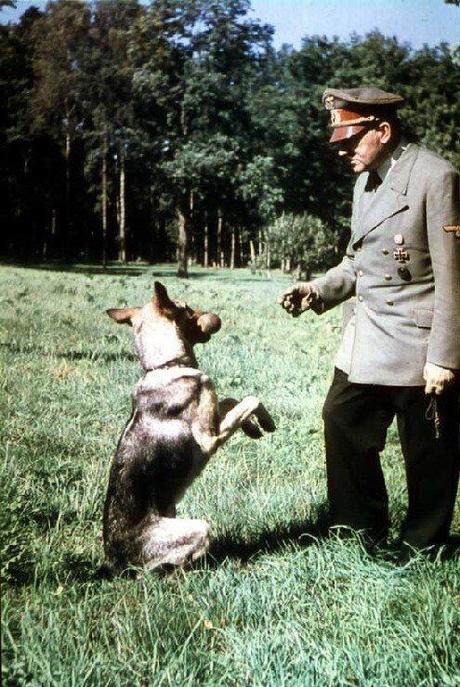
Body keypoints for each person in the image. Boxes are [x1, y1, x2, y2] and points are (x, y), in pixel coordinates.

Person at [278, 86, 460, 561]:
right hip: (369, 339)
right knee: (341, 418)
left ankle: (424, 545)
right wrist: (317, 289)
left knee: (428, 453)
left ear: (383, 130)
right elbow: (356, 263)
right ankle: (358, 532)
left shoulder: (437, 178)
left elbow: (454, 278)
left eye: (349, 138)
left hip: (421, 347)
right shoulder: (365, 182)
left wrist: (445, 356)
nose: (341, 149)